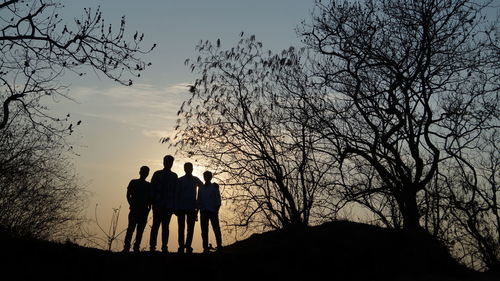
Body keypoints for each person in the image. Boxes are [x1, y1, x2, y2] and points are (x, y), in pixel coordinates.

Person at [149, 155, 178, 252]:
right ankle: (152, 246)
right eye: (167, 161)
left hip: (168, 205)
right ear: (163, 162)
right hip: (157, 204)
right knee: (156, 225)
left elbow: (175, 192)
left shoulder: (174, 176)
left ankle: (164, 246)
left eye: (170, 162)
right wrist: (153, 201)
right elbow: (152, 188)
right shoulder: (157, 174)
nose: (168, 163)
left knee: (166, 226)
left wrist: (174, 206)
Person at [123, 166, 151, 252]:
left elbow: (150, 198)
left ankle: (136, 247)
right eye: (143, 171)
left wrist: (149, 209)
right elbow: (128, 195)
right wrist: (131, 204)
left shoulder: (149, 185)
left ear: (147, 174)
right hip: (135, 209)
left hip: (143, 210)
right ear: (140, 172)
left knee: (140, 230)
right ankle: (126, 247)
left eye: (146, 172)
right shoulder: (133, 182)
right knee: (131, 228)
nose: (144, 173)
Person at [176, 162, 203, 254]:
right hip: (181, 207)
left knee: (190, 228)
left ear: (192, 169)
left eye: (189, 168)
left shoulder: (196, 179)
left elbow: (202, 187)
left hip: (192, 207)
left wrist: (198, 202)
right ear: (184, 169)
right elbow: (176, 194)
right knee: (181, 228)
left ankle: (188, 245)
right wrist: (176, 207)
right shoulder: (180, 180)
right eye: (186, 168)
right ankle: (181, 246)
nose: (188, 169)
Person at [198, 170, 222, 253]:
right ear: (204, 177)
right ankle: (205, 248)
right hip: (203, 211)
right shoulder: (201, 188)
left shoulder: (214, 187)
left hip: (213, 211)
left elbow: (218, 200)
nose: (206, 178)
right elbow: (199, 200)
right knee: (204, 231)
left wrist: (216, 211)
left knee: (216, 229)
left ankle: (219, 246)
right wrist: (198, 210)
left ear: (211, 177)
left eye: (208, 176)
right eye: (205, 176)